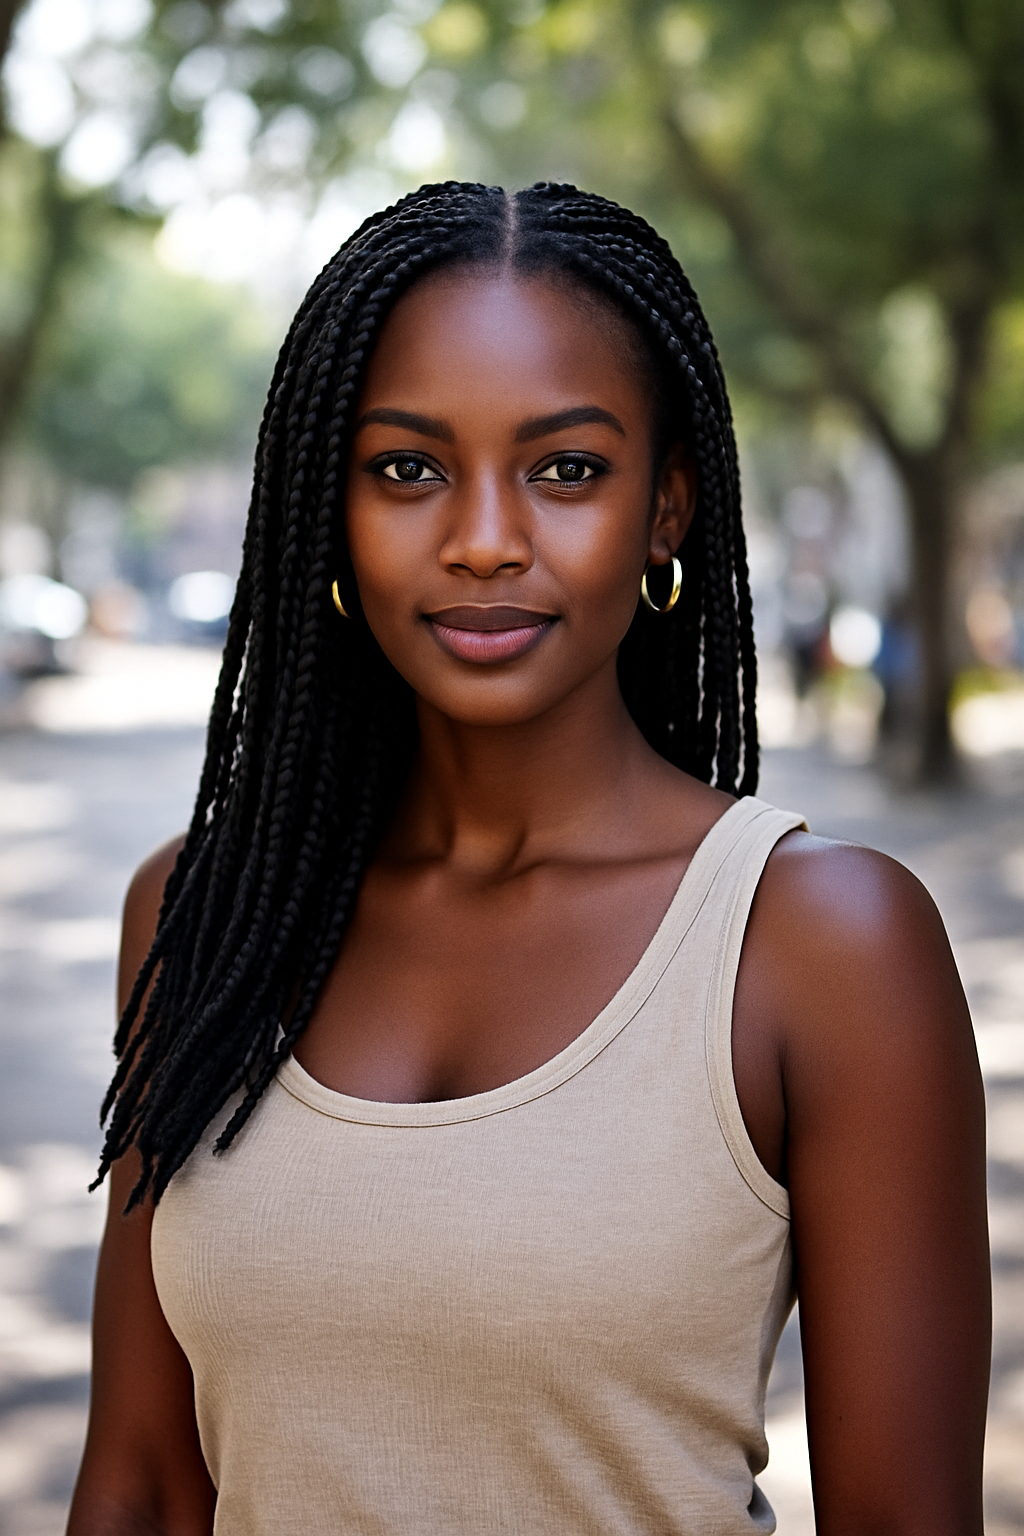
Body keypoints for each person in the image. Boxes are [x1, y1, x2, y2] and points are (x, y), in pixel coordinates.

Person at [68, 182, 990, 1536]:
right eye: (408, 468)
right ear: (332, 505)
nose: (487, 538)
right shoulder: (203, 915)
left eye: (567, 468)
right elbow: (142, 1481)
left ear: (666, 508)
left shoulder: (818, 943)